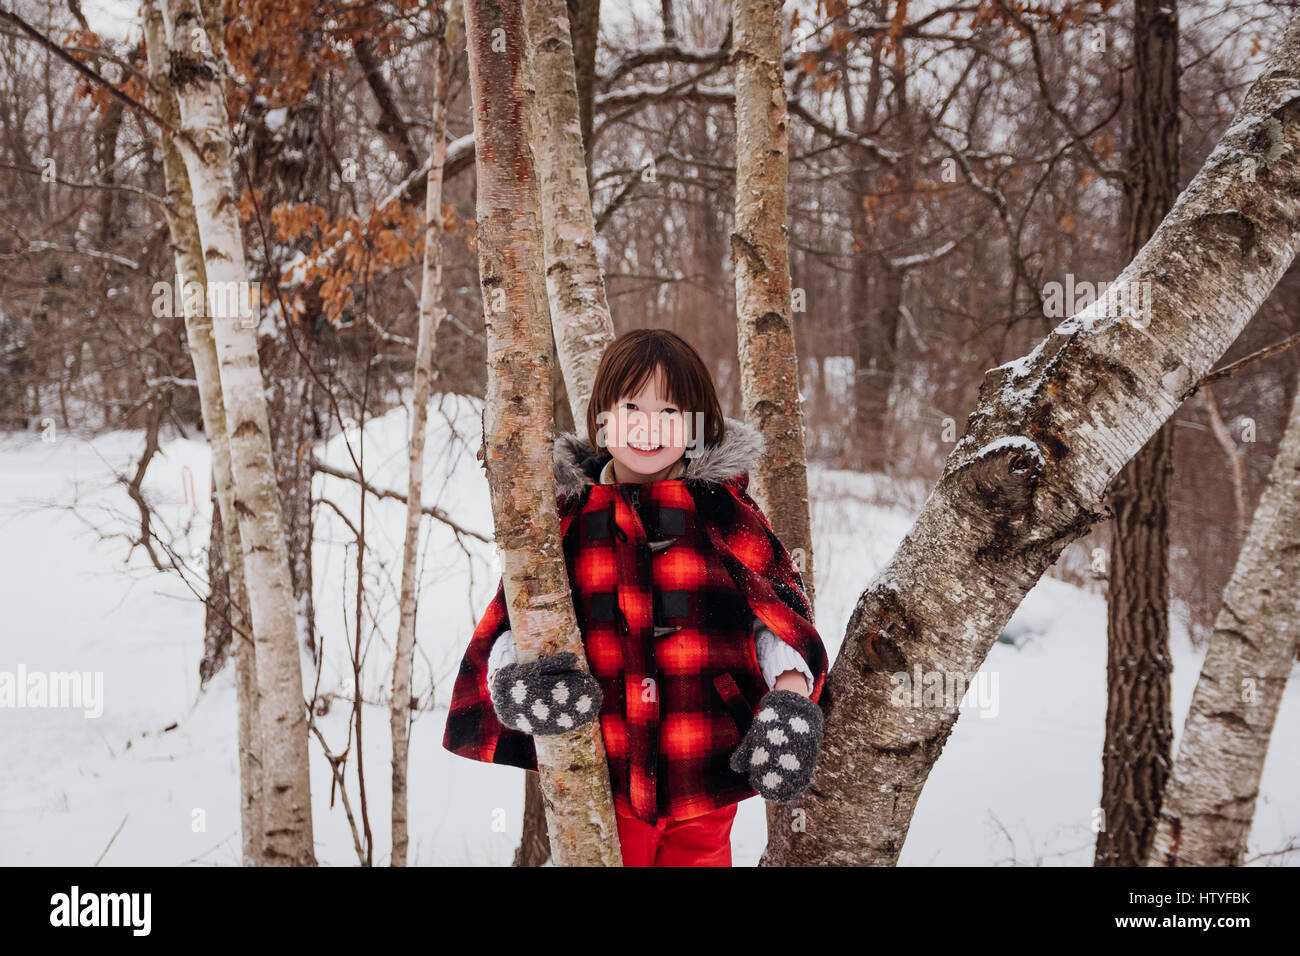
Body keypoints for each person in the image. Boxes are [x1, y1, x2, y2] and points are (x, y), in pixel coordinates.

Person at [442, 328, 829, 866]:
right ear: (601, 418)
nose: (649, 427)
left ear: (696, 427)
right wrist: (512, 677)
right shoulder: (568, 514)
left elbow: (778, 615)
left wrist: (788, 695)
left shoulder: (722, 510)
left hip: (705, 757)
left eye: (670, 411)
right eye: (631, 407)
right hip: (603, 761)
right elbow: (512, 617)